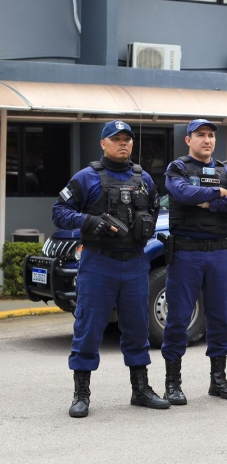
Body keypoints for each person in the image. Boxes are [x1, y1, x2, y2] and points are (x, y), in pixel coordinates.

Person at [53, 120, 169, 417]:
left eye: (127, 139)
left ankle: (140, 389)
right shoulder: (86, 178)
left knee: (137, 328)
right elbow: (59, 212)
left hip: (134, 262)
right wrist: (89, 222)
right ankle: (81, 394)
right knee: (89, 328)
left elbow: (155, 210)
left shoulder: (144, 180)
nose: (123, 143)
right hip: (98, 263)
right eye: (116, 138)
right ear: (103, 143)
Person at [161, 119, 227, 403]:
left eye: (211, 135)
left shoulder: (226, 171)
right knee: (178, 319)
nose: (207, 140)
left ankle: (218, 381)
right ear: (188, 140)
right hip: (187, 253)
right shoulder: (178, 168)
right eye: (201, 135)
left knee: (221, 317)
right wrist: (219, 192)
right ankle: (173, 383)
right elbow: (182, 193)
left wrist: (208, 202)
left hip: (219, 254)